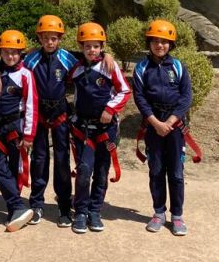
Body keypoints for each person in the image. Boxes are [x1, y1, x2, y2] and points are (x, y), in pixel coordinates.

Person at [66, 22, 130, 234]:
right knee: (84, 170)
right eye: (87, 46)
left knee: (101, 172)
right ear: (81, 47)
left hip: (105, 130)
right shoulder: (76, 69)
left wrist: (110, 109)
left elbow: (124, 91)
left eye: (96, 46)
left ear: (102, 47)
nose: (91, 50)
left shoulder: (109, 67)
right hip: (83, 129)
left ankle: (95, 210)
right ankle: (81, 211)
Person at [132, 19, 192, 236]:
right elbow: (140, 98)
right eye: (155, 41)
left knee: (176, 172)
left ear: (171, 44)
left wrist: (171, 121)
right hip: (153, 125)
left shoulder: (178, 67)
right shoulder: (141, 68)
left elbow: (186, 97)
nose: (160, 45)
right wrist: (156, 123)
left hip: (175, 126)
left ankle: (177, 216)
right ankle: (159, 213)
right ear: (149, 43)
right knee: (156, 170)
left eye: (164, 42)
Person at [24, 15, 77, 227]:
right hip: (38, 115)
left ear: (60, 39)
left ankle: (64, 206)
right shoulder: (31, 59)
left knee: (62, 160)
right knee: (39, 159)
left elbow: (91, 63)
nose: (50, 42)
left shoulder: (67, 58)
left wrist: (107, 56)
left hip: (60, 115)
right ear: (39, 38)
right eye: (45, 38)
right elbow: (11, 67)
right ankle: (37, 204)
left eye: (54, 38)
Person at [0, 29, 38, 232]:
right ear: (0, 53)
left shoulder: (26, 75)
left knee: (15, 168)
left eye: (15, 53)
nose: (10, 56)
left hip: (16, 127)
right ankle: (18, 207)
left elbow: (32, 105)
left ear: (21, 53)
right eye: (6, 52)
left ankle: (14, 210)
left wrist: (29, 135)